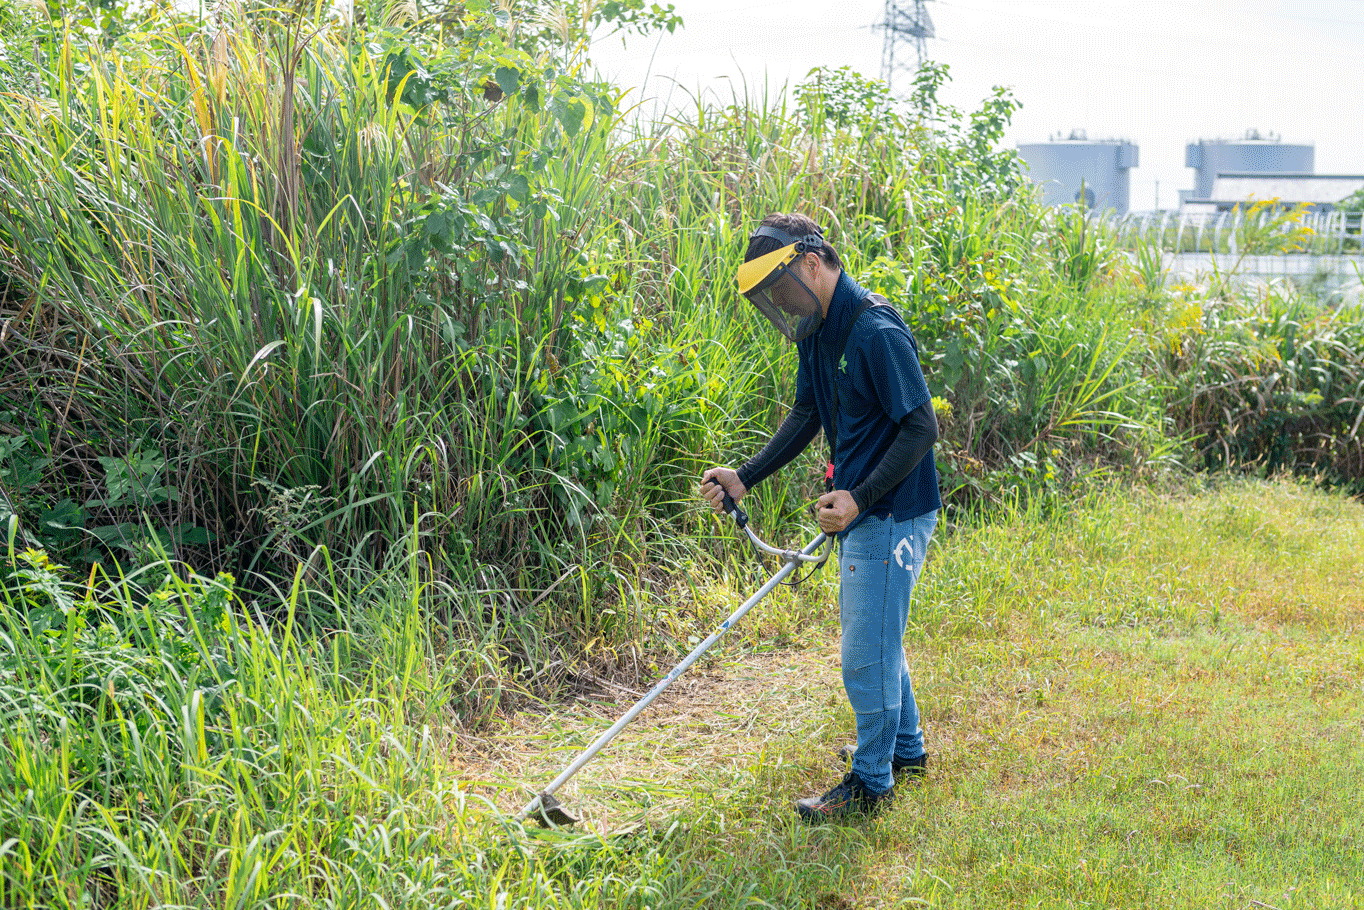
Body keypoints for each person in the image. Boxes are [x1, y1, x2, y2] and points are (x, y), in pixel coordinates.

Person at [701, 212, 941, 822]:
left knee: (865, 655)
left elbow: (921, 427)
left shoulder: (874, 331)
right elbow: (807, 415)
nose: (779, 302)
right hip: (863, 511)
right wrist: (744, 476)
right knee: (881, 633)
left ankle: (870, 783)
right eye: (769, 296)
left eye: (781, 287)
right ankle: (905, 751)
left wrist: (859, 496)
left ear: (812, 263)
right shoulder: (816, 329)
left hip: (893, 512)